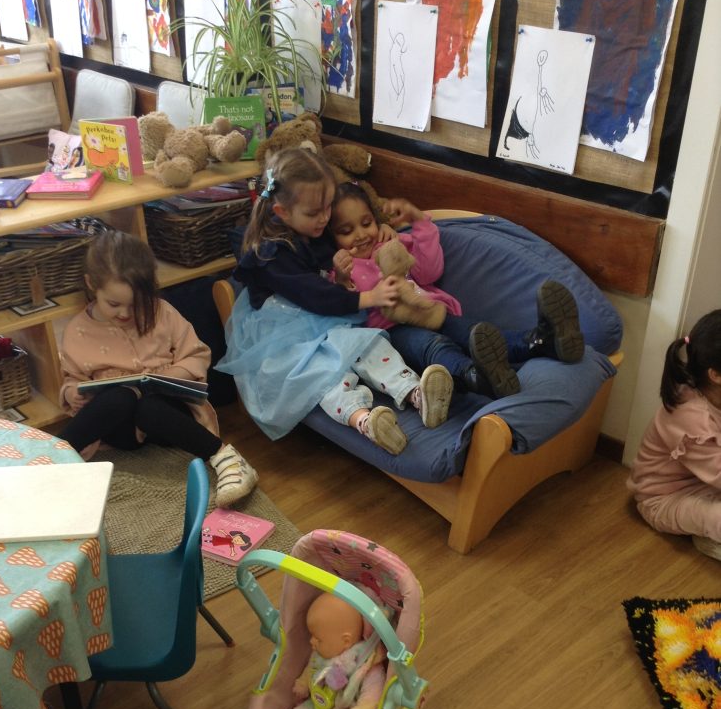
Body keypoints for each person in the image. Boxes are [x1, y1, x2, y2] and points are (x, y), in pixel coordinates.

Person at [218, 148, 453, 455]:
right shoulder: (270, 254)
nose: (325, 218)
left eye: (327, 207)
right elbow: (315, 294)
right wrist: (369, 297)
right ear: (283, 213)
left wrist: (381, 230)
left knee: (369, 344)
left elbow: (344, 253)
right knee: (322, 375)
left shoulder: (311, 227)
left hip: (323, 317)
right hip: (285, 335)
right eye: (315, 213)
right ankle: (365, 420)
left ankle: (416, 394)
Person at [58, 230, 258, 507]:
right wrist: (72, 394)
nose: (125, 313)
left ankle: (226, 458)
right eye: (113, 304)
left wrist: (170, 376)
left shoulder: (162, 312)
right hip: (119, 428)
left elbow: (196, 354)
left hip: (168, 416)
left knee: (148, 406)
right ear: (92, 285)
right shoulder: (77, 330)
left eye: (136, 304)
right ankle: (51, 458)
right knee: (121, 398)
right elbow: (72, 379)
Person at [329, 184, 586, 398]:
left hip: (433, 311)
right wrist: (341, 279)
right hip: (394, 332)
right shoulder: (341, 270)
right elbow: (346, 317)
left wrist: (418, 223)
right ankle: (474, 376)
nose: (361, 235)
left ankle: (541, 341)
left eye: (367, 223)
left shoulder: (393, 244)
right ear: (332, 238)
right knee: (433, 345)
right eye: (346, 231)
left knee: (476, 333)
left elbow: (429, 273)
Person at [627, 310, 721, 562]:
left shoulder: (713, 392)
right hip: (668, 498)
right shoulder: (692, 418)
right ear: (716, 375)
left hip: (707, 480)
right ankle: (708, 536)